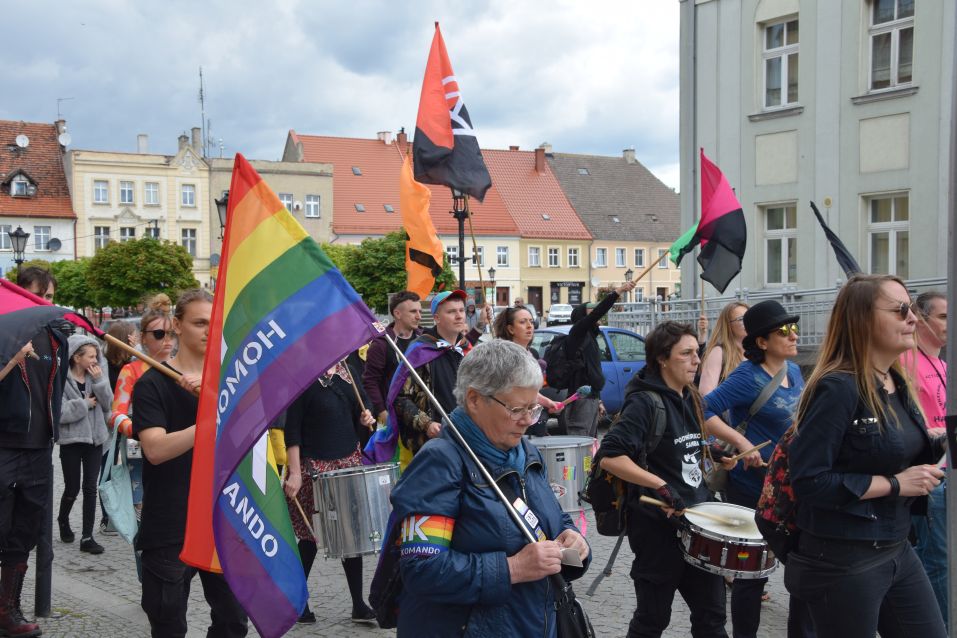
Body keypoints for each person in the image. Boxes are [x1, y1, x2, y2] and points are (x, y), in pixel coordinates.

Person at [389, 339, 591, 636]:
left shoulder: (526, 452)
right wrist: (513, 568)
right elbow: (422, 568)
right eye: (517, 409)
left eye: (534, 408)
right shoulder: (439, 462)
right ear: (474, 400)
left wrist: (573, 541)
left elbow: (550, 519)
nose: (527, 421)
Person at [785, 274, 947, 638]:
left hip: (896, 546)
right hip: (843, 558)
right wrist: (894, 484)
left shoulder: (895, 381)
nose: (913, 318)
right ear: (862, 319)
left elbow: (894, 451)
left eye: (911, 308)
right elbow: (809, 481)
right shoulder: (837, 387)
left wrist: (940, 444)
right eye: (900, 310)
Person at [598, 321, 747, 638]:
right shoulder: (644, 403)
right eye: (686, 353)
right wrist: (659, 485)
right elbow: (609, 457)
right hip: (657, 530)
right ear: (662, 359)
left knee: (712, 620)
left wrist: (715, 453)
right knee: (652, 621)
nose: (696, 361)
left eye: (697, 353)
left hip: (699, 524)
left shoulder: (690, 396)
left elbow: (685, 443)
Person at [133, 289, 248, 637]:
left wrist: (216, 394)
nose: (209, 331)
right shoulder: (152, 383)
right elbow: (155, 450)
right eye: (200, 323)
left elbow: (251, 439)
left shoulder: (232, 382)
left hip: (224, 519)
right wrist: (211, 419)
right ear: (177, 325)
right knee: (168, 623)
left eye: (215, 324)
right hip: (171, 523)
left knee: (233, 623)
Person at [702, 301, 811, 638]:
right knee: (751, 573)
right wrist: (741, 442)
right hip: (752, 487)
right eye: (784, 330)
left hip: (791, 486)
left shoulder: (794, 372)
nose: (793, 335)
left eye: (794, 328)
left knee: (804, 570)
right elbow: (702, 410)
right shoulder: (746, 376)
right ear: (762, 341)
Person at [0, 267, 68, 637]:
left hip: (40, 445)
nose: (44, 303)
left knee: (25, 531)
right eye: (37, 296)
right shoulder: (3, 333)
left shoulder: (57, 337)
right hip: (4, 443)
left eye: (49, 297)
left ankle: (8, 609)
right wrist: (11, 357)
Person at [282, 362, 377, 625]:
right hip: (314, 465)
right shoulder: (302, 375)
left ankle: (358, 604)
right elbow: (292, 430)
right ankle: (298, 602)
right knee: (310, 537)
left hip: (347, 462)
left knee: (351, 534)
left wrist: (366, 417)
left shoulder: (348, 371)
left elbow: (363, 406)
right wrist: (295, 473)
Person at [391, 290, 490, 466]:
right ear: (436, 318)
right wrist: (427, 424)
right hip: (432, 444)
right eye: (451, 312)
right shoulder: (419, 351)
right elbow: (400, 399)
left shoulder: (467, 349)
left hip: (468, 438)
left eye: (461, 310)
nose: (459, 316)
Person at [900, 291, 948, 626]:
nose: (950, 323)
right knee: (938, 560)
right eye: (943, 316)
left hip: (947, 472)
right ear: (921, 319)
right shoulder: (905, 362)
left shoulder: (944, 364)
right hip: (928, 476)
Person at [111, 308, 176, 518]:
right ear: (143, 338)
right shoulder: (131, 370)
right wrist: (139, 430)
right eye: (159, 334)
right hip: (141, 451)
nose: (167, 339)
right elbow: (116, 414)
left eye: (172, 333)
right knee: (144, 507)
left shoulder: (185, 368)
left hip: (180, 449)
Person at [560, 280, 637, 438]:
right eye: (591, 310)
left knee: (590, 443)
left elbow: (592, 373)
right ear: (583, 316)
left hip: (591, 399)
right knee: (580, 442)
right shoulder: (578, 333)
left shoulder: (591, 337)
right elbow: (599, 311)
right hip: (580, 400)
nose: (596, 313)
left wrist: (599, 401)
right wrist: (619, 291)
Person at [57, 336, 113, 554]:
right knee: (72, 487)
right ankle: (63, 519)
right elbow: (60, 413)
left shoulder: (97, 375)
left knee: (90, 488)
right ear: (76, 357)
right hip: (71, 441)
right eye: (90, 356)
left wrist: (100, 382)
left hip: (95, 440)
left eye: (96, 355)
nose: (95, 359)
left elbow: (107, 404)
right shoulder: (61, 379)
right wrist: (84, 404)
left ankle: (87, 537)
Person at [493, 304, 560, 435]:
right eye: (523, 322)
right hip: (512, 420)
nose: (530, 326)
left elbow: (530, 390)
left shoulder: (532, 353)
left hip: (532, 419)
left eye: (531, 321)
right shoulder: (505, 355)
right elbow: (516, 390)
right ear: (511, 329)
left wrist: (547, 402)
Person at [362, 291, 422, 426]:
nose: (419, 316)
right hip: (394, 417)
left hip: (423, 417)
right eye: (413, 311)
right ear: (397, 314)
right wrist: (382, 412)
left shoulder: (424, 339)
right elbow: (370, 381)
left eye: (420, 311)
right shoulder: (382, 344)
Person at [698, 302, 748, 395]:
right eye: (741, 319)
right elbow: (706, 394)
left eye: (749, 317)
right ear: (728, 325)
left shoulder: (758, 351)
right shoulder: (718, 352)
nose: (748, 321)